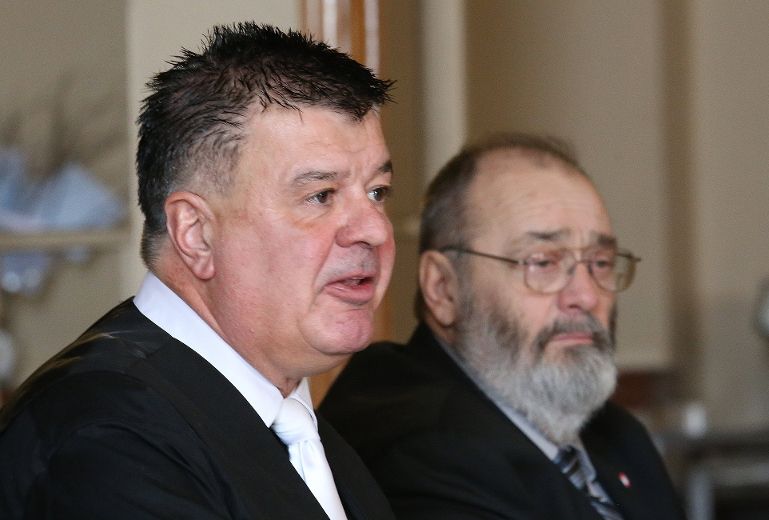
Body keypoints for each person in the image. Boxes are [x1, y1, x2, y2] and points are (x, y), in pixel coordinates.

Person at [0, 23, 397, 519]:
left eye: (377, 192)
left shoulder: (296, 426)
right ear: (196, 233)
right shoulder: (108, 436)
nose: (374, 229)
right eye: (321, 196)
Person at [320, 133, 686, 519]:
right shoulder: (421, 450)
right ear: (443, 288)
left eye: (601, 262)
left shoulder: (616, 433)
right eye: (542, 262)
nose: (586, 295)